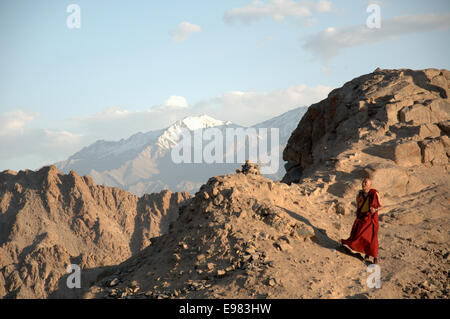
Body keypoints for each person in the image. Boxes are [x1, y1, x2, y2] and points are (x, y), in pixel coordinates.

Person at [341, 177, 383, 264]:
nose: (364, 184)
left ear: (370, 185)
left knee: (372, 238)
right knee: (359, 234)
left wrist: (375, 210)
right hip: (362, 218)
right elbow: (358, 207)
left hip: (371, 219)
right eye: (363, 182)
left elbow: (381, 206)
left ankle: (374, 257)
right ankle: (362, 252)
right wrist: (358, 216)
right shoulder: (359, 195)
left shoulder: (374, 193)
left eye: (366, 183)